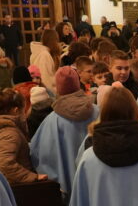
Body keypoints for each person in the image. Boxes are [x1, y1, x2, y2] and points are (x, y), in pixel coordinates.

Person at [31, 66, 95, 197]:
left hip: (68, 191)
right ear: (78, 85)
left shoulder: (51, 121)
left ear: (59, 89)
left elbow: (39, 154)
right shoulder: (99, 112)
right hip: (96, 184)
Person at [0, 89, 46, 185]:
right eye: (24, 110)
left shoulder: (2, 128)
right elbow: (6, 163)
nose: (25, 114)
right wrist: (32, 176)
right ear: (16, 110)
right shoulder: (9, 133)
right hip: (17, 185)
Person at [29, 29, 61, 93]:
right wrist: (52, 95)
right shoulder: (45, 55)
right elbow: (45, 80)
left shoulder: (40, 52)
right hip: (46, 93)